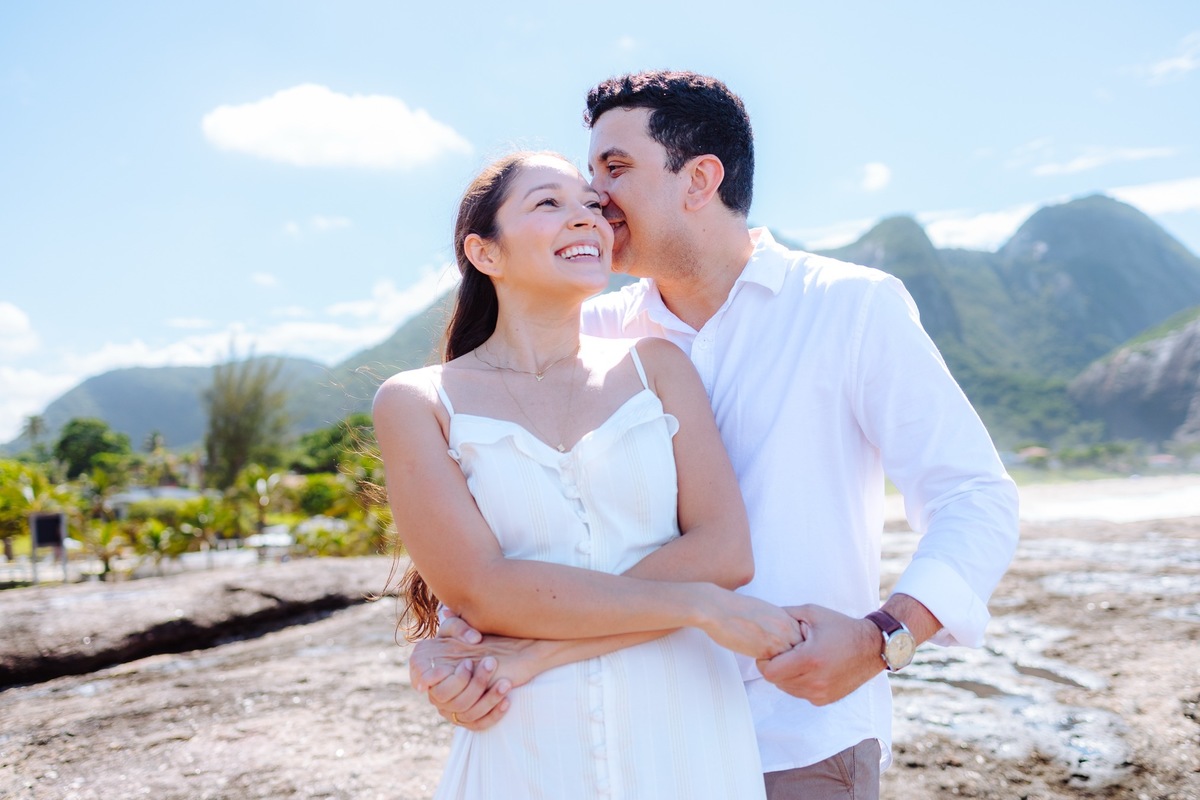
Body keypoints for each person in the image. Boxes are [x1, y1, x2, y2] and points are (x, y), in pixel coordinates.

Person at [410, 71, 1021, 799]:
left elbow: (975, 496)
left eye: (615, 169)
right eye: (586, 175)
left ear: (700, 179)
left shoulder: (850, 307)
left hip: (797, 732)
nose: (596, 198)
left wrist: (884, 636)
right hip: (615, 733)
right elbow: (516, 532)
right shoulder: (590, 333)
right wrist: (451, 648)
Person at [373, 150, 802, 800]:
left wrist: (541, 646)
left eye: (593, 207)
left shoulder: (656, 367)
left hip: (688, 735)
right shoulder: (418, 401)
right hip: (525, 744)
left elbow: (724, 551)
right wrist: (699, 604)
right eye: (549, 203)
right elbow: (485, 590)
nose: (588, 220)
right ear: (485, 253)